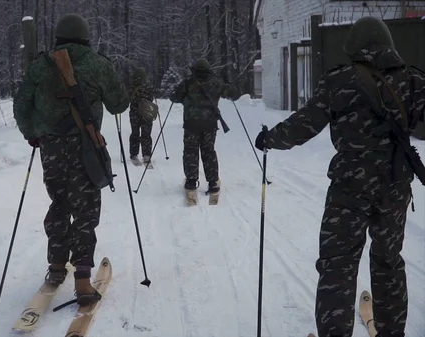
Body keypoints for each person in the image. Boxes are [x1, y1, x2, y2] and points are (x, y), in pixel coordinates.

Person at [253, 16, 425, 337]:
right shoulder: (414, 81)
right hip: (395, 190)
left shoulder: (338, 81)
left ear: (354, 47)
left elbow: (304, 125)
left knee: (338, 266)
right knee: (388, 263)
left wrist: (270, 138)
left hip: (349, 191)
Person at [13, 13, 129, 305]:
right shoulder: (98, 64)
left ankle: (55, 267)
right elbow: (119, 104)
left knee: (59, 204)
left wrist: (32, 134)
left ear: (59, 37)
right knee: (86, 211)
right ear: (85, 37)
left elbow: (21, 104)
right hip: (85, 149)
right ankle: (82, 280)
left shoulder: (40, 65)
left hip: (51, 150)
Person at [169, 58, 239, 194]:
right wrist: (228, 82)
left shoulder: (188, 83)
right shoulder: (216, 83)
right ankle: (213, 183)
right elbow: (234, 94)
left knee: (190, 152)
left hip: (191, 124)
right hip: (210, 125)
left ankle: (191, 181)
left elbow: (173, 97)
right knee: (209, 152)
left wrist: (184, 96)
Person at [128, 67, 156, 165]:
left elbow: (127, 98)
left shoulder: (131, 87)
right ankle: (146, 154)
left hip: (134, 113)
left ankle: (134, 154)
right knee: (146, 134)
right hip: (146, 113)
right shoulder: (149, 87)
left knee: (135, 133)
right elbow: (152, 98)